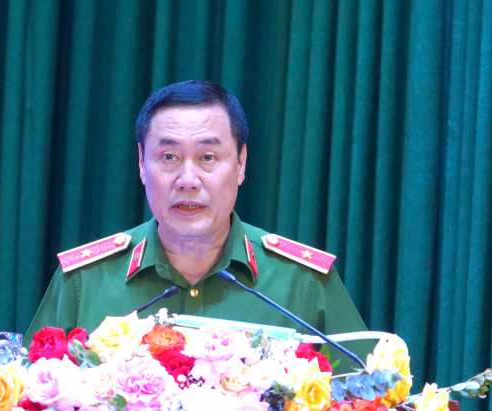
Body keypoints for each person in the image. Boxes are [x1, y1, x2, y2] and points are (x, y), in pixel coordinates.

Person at [24, 80, 374, 372]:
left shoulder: (304, 282)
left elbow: (368, 398)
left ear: (241, 163)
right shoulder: (84, 281)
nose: (188, 180)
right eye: (169, 157)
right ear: (142, 165)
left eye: (208, 157)